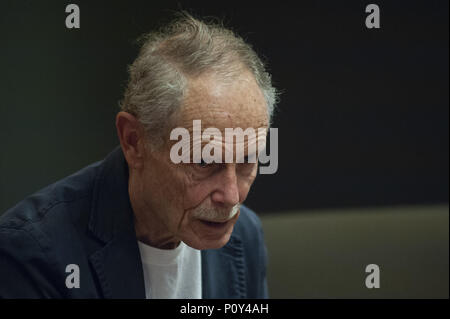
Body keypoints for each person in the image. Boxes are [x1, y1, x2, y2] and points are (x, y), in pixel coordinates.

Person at [0, 12, 278, 298]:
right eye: (205, 162)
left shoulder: (245, 236)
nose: (232, 197)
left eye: (247, 160)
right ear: (134, 141)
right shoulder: (31, 254)